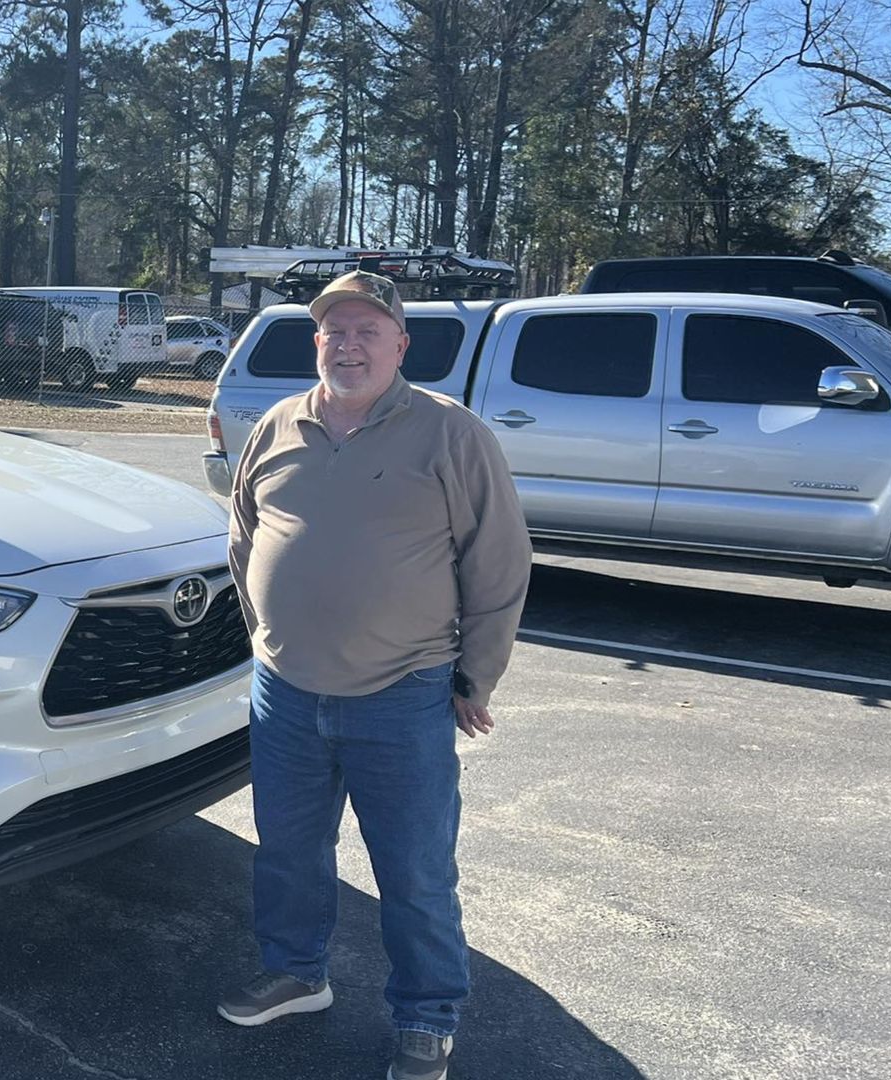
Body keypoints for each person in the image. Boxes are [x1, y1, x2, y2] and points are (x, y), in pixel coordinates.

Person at [219, 270, 530, 1080]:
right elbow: (245, 536)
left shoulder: (450, 434)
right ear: (315, 341)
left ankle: (427, 1017)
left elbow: (497, 564)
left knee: (415, 871)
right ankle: (297, 973)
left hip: (402, 693)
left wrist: (476, 679)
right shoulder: (279, 425)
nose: (348, 345)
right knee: (287, 852)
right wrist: (266, 638)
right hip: (284, 693)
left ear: (401, 344)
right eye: (333, 332)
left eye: (366, 331)